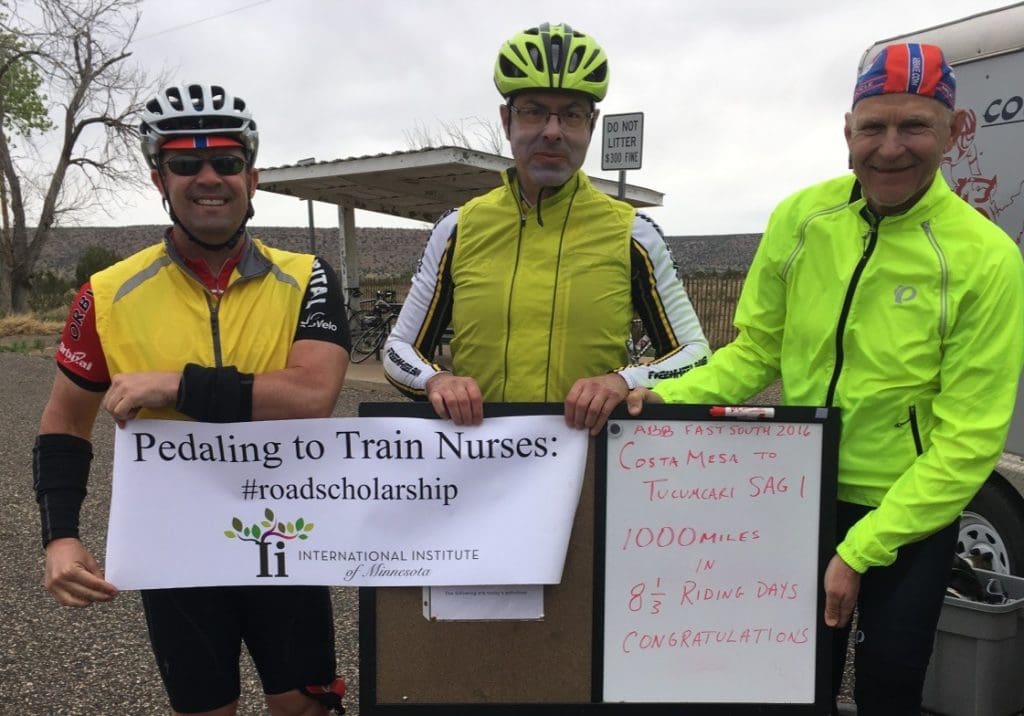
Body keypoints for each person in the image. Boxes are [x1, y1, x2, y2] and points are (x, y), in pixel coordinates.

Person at [626, 43, 1024, 714]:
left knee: (888, 690)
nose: (890, 147)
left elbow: (969, 441)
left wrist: (861, 551)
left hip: (909, 515)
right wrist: (663, 400)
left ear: (954, 134)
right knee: (791, 684)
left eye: (914, 127)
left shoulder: (986, 259)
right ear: (848, 131)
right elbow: (756, 354)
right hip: (793, 498)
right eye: (874, 127)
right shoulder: (800, 221)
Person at [33, 83, 350, 716]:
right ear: (160, 177)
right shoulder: (106, 292)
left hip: (284, 534)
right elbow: (65, 421)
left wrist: (174, 383)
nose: (209, 178)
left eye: (227, 163)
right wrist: (59, 538)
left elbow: (312, 393)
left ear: (252, 177)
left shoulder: (307, 275)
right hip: (175, 546)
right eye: (185, 163)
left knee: (305, 709)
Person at [383, 22, 710, 434]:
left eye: (571, 115)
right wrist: (437, 380)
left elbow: (694, 354)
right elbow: (398, 350)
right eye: (533, 110)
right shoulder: (456, 229)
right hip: (478, 462)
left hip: (586, 462)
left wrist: (624, 381)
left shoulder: (633, 233)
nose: (552, 131)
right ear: (506, 120)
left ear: (591, 125)